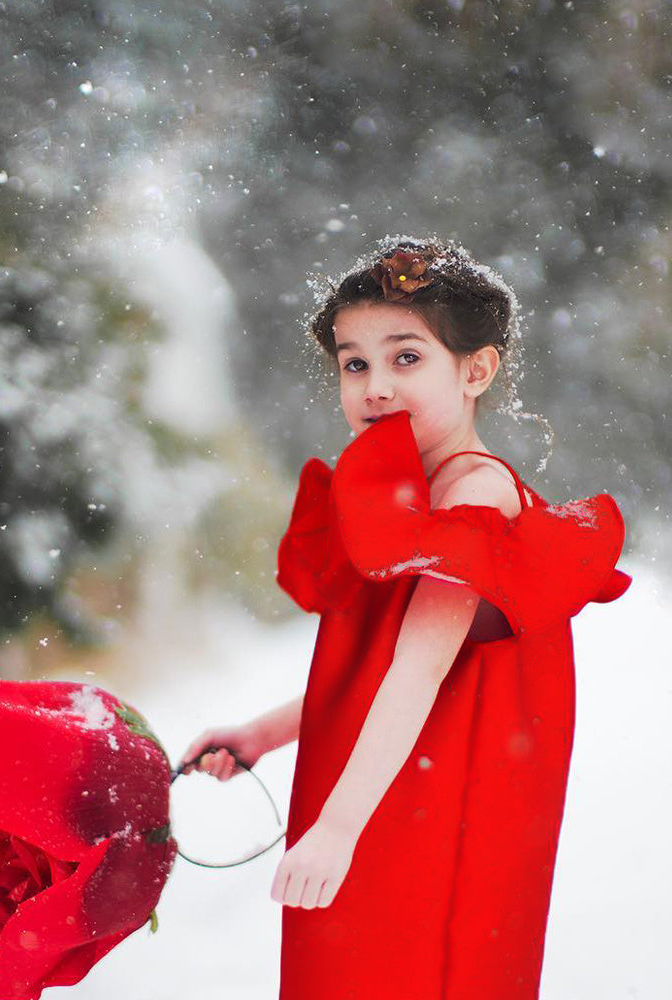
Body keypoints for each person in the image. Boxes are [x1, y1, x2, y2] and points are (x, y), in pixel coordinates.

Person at [177, 237, 632, 999]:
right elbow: (380, 664)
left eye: (406, 358)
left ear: (475, 370)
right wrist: (265, 733)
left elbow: (418, 670)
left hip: (435, 804)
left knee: (419, 972)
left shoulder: (471, 496)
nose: (375, 386)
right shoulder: (401, 496)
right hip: (387, 780)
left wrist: (336, 829)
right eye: (355, 364)